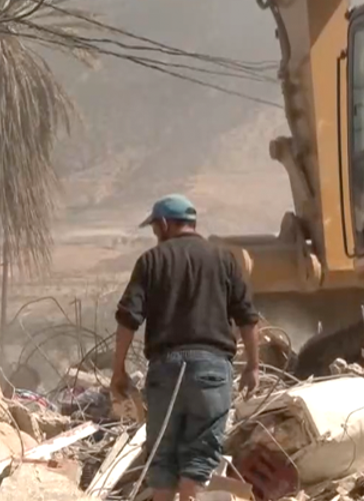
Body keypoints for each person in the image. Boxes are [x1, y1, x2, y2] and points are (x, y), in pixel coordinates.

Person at [111, 193, 261, 501]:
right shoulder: (224, 260)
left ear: (164, 224)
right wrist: (254, 366)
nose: (155, 235)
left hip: (165, 371)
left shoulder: (151, 261)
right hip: (211, 371)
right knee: (199, 461)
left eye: (155, 228)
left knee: (163, 462)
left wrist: (119, 371)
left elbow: (128, 319)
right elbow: (247, 317)